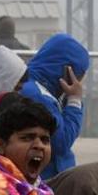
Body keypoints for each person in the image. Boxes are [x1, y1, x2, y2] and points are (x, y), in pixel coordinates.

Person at [18, 33, 88, 180]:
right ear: (68, 71)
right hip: (49, 180)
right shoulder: (38, 96)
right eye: (79, 74)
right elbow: (61, 142)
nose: (79, 81)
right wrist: (74, 100)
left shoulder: (39, 89)